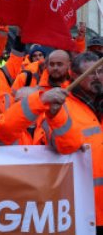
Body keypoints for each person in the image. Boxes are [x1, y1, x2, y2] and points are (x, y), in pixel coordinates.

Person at [45, 52, 103, 230]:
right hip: (83, 210)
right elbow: (61, 146)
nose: (98, 78)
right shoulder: (59, 107)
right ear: (75, 76)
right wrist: (55, 116)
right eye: (91, 74)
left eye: (100, 72)